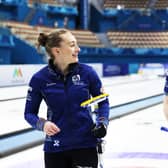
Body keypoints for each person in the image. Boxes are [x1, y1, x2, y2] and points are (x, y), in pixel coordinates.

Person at [24, 28, 109, 168]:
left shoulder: (88, 73)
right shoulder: (39, 79)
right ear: (57, 51)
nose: (78, 49)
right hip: (55, 148)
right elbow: (29, 114)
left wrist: (102, 123)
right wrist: (43, 124)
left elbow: (103, 102)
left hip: (85, 145)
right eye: (72, 45)